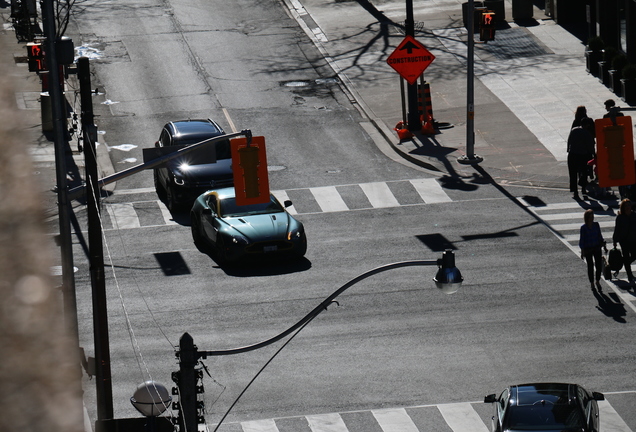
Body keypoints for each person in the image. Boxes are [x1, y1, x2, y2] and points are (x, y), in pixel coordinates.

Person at [567, 117, 595, 199]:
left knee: (573, 174)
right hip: (583, 155)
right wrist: (593, 153)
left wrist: (568, 149)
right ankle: (583, 189)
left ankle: (575, 191)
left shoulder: (574, 130)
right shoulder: (587, 133)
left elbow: (569, 140)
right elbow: (590, 146)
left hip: (572, 154)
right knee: (583, 173)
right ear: (587, 125)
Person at [579, 209, 606, 286]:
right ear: (586, 218)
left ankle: (597, 280)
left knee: (598, 265)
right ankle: (591, 282)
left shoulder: (596, 225)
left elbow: (599, 235)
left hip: (597, 247)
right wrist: (582, 250)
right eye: (590, 217)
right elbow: (582, 240)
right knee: (590, 266)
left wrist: (603, 244)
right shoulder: (583, 228)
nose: (592, 218)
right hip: (588, 249)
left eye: (592, 217)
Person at [612, 198, 636, 282]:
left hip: (633, 239)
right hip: (624, 240)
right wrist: (614, 241)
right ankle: (630, 275)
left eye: (629, 205)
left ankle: (623, 262)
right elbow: (617, 229)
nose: (628, 207)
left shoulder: (634, 215)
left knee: (634, 255)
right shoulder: (620, 217)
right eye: (626, 206)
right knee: (626, 256)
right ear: (623, 207)